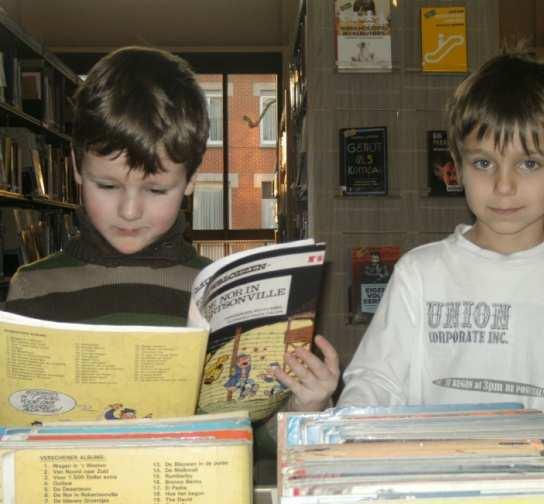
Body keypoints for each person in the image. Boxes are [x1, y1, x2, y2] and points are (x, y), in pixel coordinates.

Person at [5, 46, 338, 413]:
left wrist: (308, 403)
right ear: (77, 169)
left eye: (156, 190)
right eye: (108, 186)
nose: (129, 211)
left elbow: (254, 436)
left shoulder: (213, 297)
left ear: (191, 179)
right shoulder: (31, 287)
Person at [337, 51, 544, 437]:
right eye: (483, 163)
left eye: (528, 164)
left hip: (537, 489)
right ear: (457, 167)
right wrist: (338, 423)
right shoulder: (420, 272)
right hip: (434, 487)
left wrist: (531, 450)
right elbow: (377, 382)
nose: (504, 186)